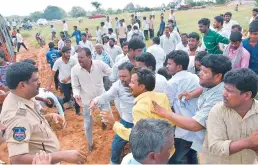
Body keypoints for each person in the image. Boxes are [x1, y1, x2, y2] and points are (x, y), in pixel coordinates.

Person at [0, 62, 86, 164]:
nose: (39, 83)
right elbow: (17, 159)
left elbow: (31, 122)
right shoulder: (17, 117)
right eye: (35, 80)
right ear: (22, 85)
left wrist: (49, 117)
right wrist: (62, 155)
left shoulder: (22, 96)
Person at [152, 55, 232, 153]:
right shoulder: (212, 84)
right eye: (201, 70)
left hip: (215, 146)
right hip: (201, 140)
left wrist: (165, 113)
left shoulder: (220, 96)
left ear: (218, 76)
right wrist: (192, 94)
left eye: (205, 72)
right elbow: (204, 88)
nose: (200, 74)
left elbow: (196, 125)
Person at [100, 68, 175, 158]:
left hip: (154, 156)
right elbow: (171, 122)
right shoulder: (162, 96)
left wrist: (114, 124)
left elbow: (138, 138)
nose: (129, 85)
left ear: (142, 86)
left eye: (132, 82)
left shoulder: (139, 108)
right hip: (168, 150)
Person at [203, 68, 258, 164]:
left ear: (247, 95)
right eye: (224, 88)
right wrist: (249, 142)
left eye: (230, 91)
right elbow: (215, 147)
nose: (224, 94)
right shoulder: (217, 111)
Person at [89, 62, 134, 164]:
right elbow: (107, 96)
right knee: (117, 145)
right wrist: (95, 101)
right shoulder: (118, 85)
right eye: (120, 76)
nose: (122, 79)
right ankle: (114, 162)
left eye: (124, 76)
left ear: (132, 74)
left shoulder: (141, 83)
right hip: (126, 120)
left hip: (141, 121)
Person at [71, 47, 112, 152]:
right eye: (78, 57)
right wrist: (76, 94)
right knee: (88, 124)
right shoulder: (75, 70)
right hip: (87, 102)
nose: (79, 60)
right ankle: (90, 143)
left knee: (109, 118)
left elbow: (111, 72)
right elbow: (75, 86)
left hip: (102, 97)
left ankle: (108, 130)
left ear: (89, 57)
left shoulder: (99, 64)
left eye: (82, 57)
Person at [165, 50, 200, 164]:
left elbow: (168, 107)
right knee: (192, 154)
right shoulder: (195, 78)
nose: (167, 66)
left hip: (182, 128)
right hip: (196, 124)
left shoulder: (171, 83)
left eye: (170, 64)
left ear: (179, 67)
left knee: (177, 158)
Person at [47, 46, 80, 115]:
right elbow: (52, 74)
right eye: (67, 53)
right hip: (63, 83)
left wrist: (68, 78)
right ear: (62, 53)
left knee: (76, 96)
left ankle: (78, 111)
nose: (69, 54)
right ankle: (59, 105)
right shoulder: (58, 61)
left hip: (73, 81)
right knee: (67, 98)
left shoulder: (73, 60)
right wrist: (49, 86)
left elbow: (76, 71)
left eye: (69, 52)